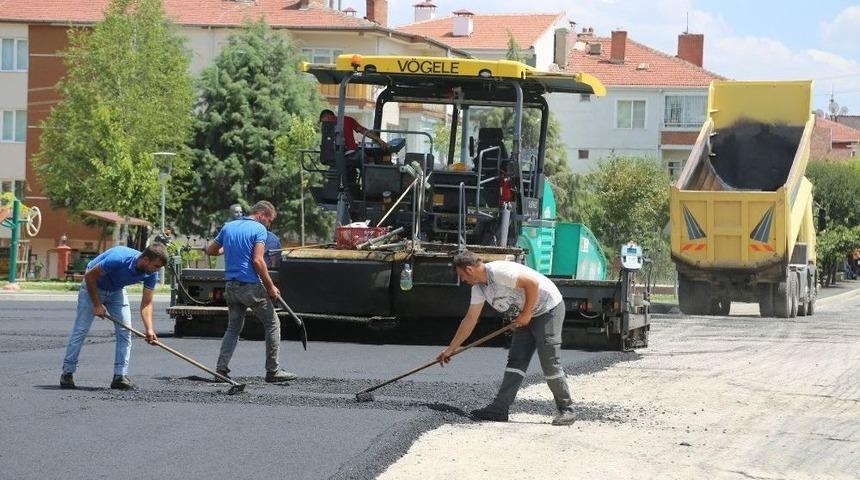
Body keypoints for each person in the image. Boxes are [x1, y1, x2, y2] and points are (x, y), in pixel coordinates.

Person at [437, 250, 577, 426]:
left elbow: (532, 284)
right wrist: (451, 349)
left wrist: (526, 314)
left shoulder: (499, 272)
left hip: (547, 309)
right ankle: (499, 409)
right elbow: (470, 319)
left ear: (469, 269)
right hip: (524, 316)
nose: (463, 280)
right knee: (516, 361)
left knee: (549, 361)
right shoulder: (479, 288)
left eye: (462, 275)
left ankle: (567, 410)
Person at [206, 200, 295, 383]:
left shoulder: (228, 227)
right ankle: (273, 370)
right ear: (262, 215)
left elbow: (211, 250)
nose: (269, 225)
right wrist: (271, 287)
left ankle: (220, 370)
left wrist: (228, 248)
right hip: (250, 286)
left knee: (233, 328)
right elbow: (258, 261)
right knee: (272, 324)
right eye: (269, 220)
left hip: (231, 287)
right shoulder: (259, 230)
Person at [60, 243, 168, 390]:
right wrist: (97, 304)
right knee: (81, 330)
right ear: (146, 259)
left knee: (125, 331)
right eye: (156, 266)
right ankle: (67, 373)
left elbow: (147, 304)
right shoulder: (119, 258)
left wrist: (149, 329)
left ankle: (120, 376)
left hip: (117, 290)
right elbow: (90, 276)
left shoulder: (151, 274)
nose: (157, 271)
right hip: (93, 285)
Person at [319, 109, 389, 165]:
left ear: (327, 116)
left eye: (323, 121)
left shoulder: (326, 129)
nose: (323, 124)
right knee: (365, 157)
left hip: (332, 156)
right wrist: (379, 140)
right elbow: (363, 131)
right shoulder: (347, 120)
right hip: (350, 153)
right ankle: (367, 178)